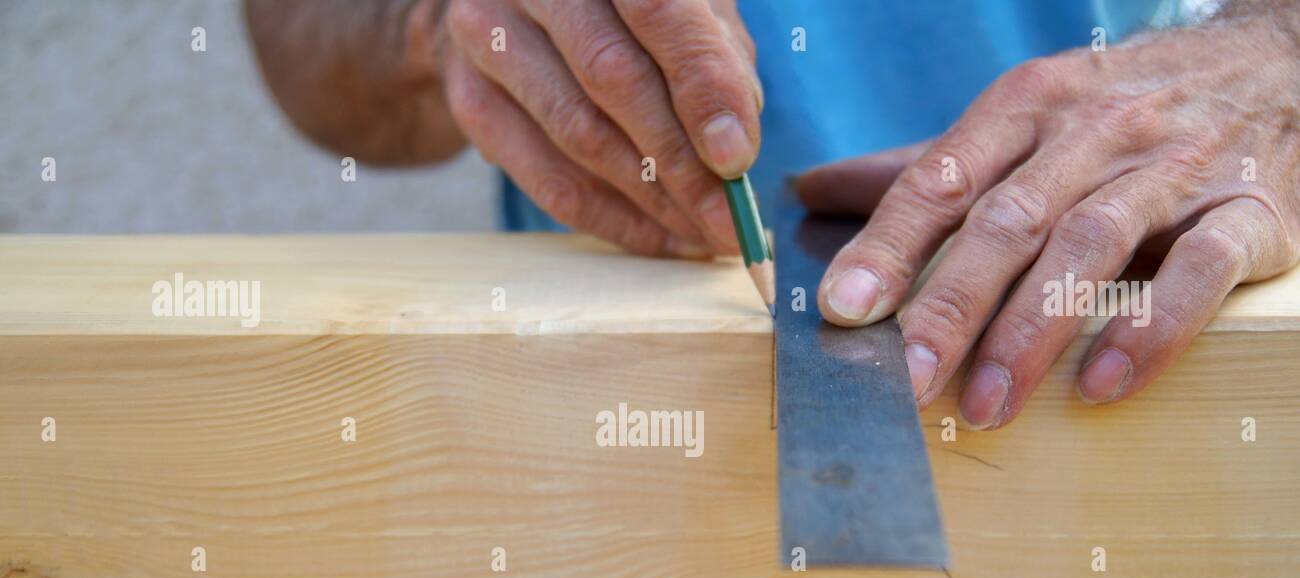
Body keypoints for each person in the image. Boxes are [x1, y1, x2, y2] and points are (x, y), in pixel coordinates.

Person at [245, 0, 1300, 429]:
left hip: (1157, 389)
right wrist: (439, 23)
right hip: (617, 447)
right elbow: (300, 47)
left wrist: (1276, 53)